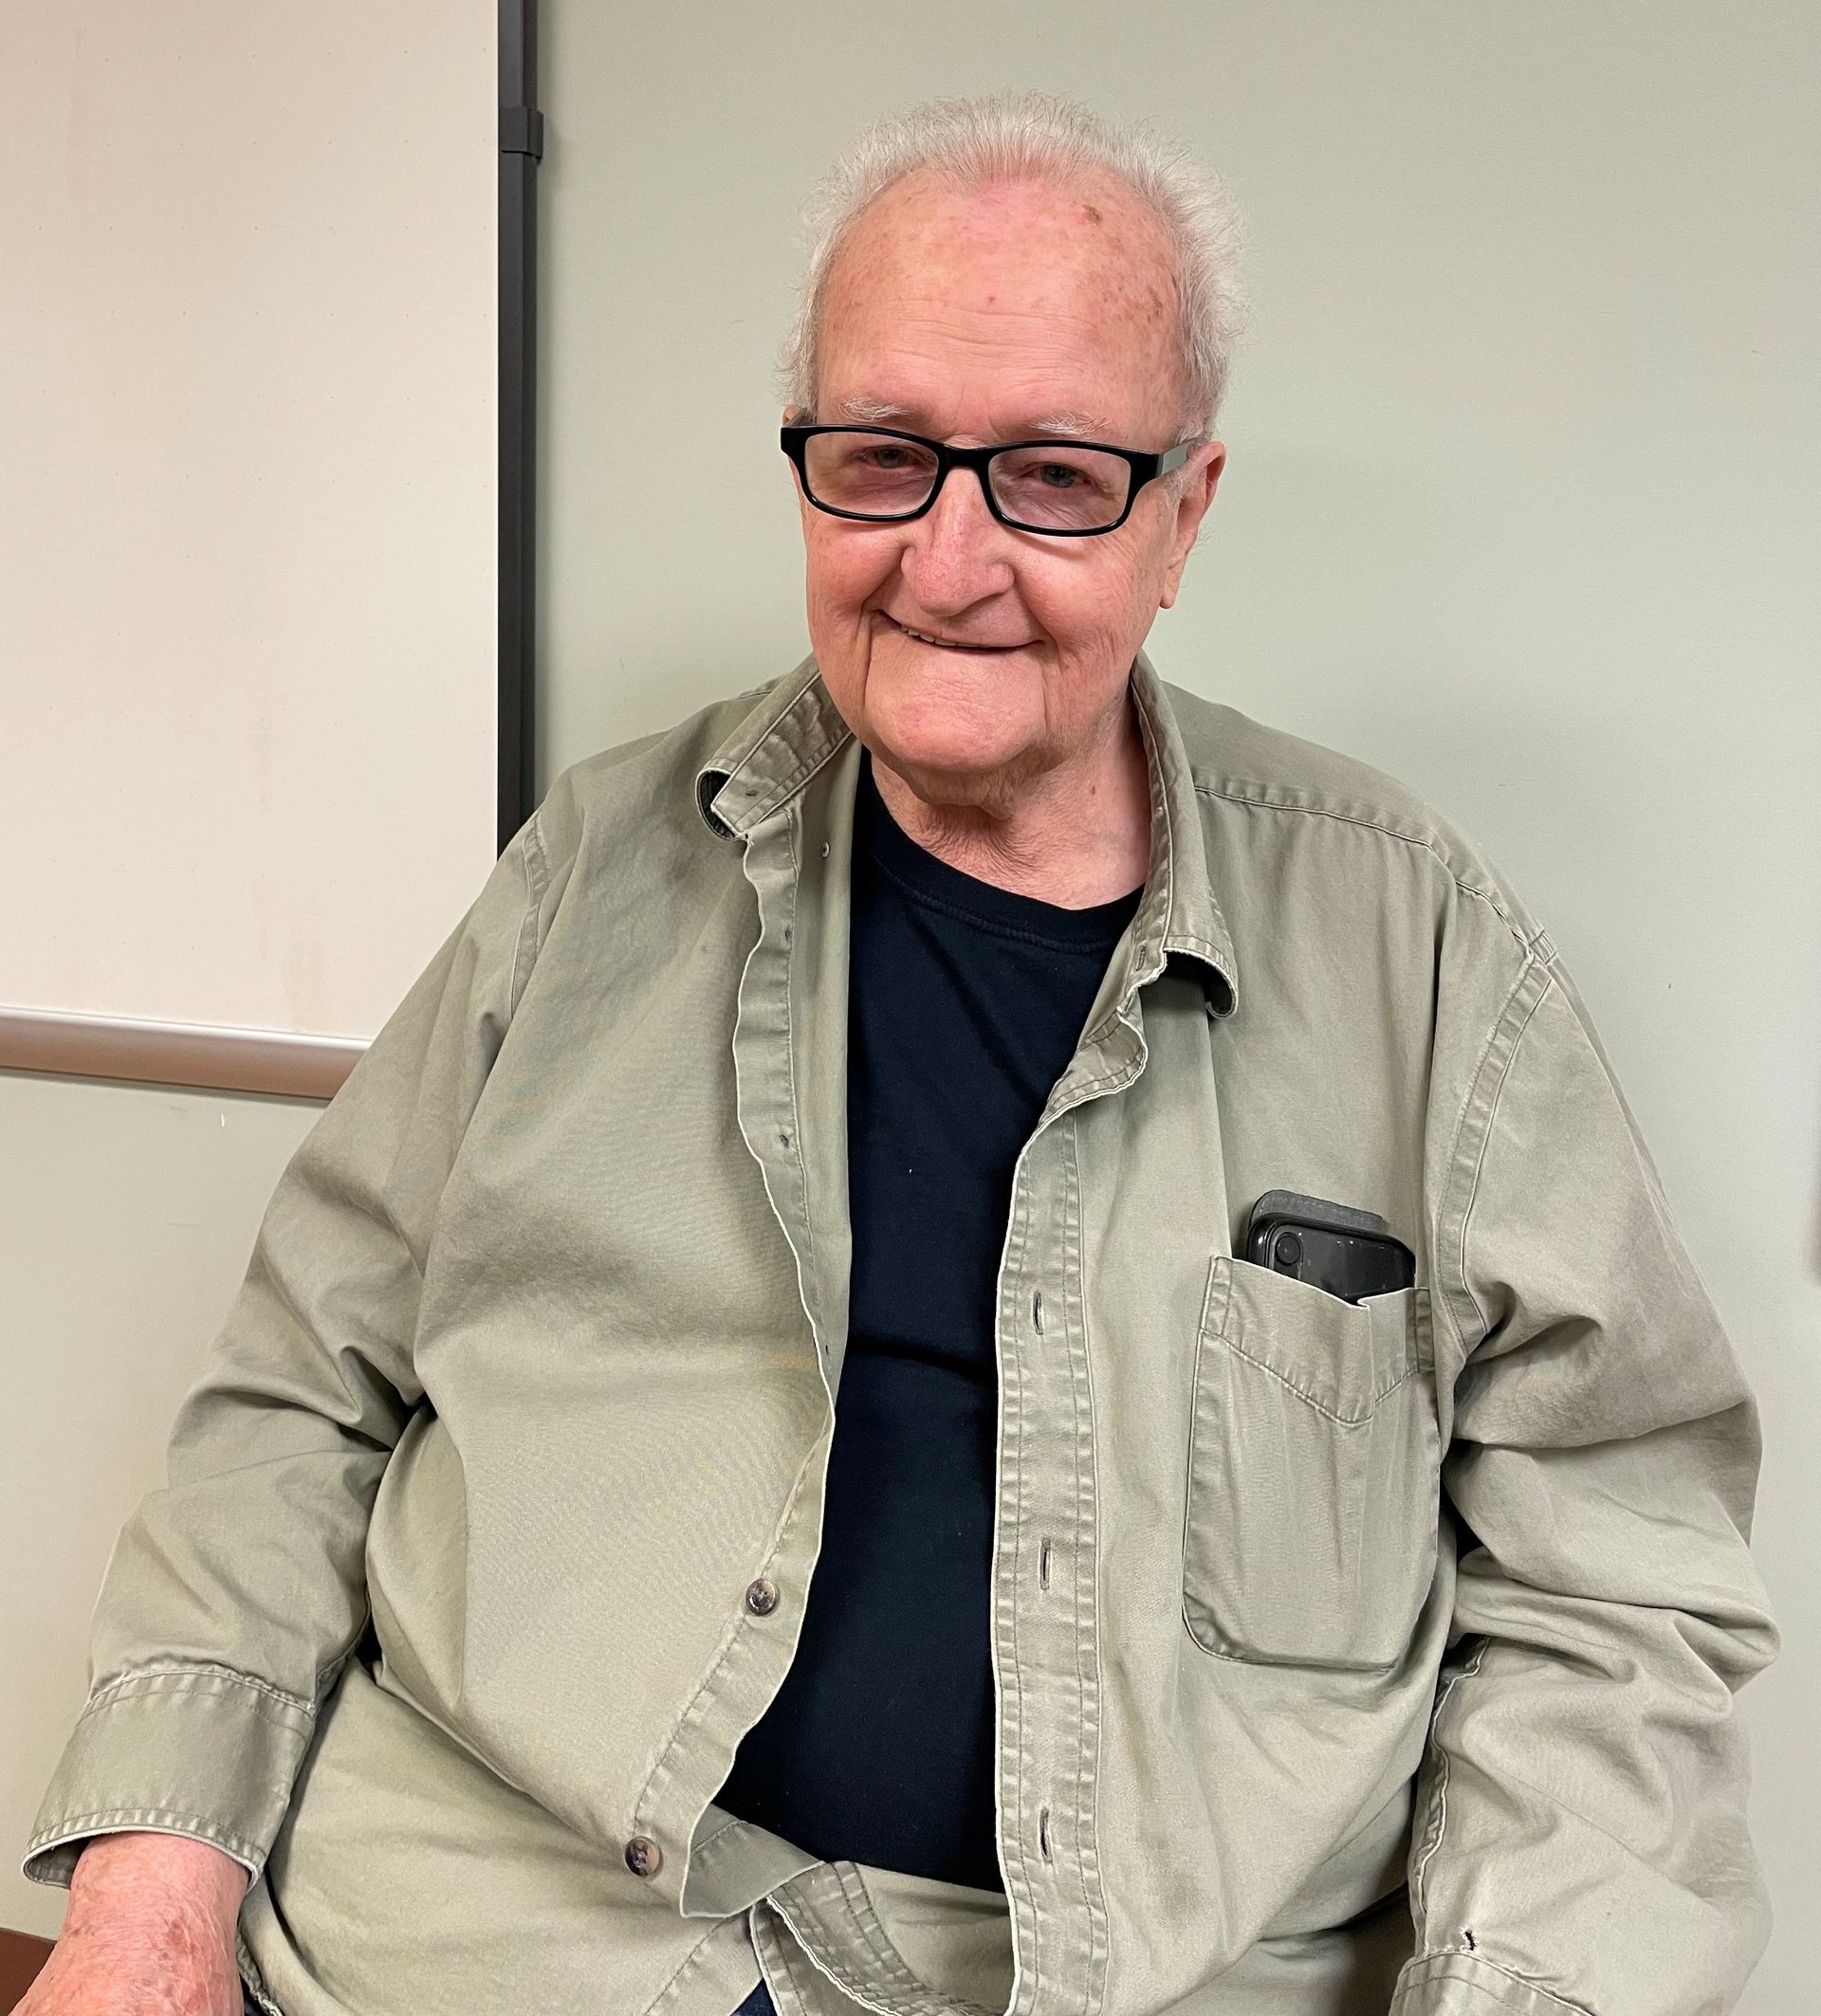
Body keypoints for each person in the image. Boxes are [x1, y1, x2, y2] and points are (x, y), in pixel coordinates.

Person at [20, 91, 1775, 2016]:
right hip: (481, 1940)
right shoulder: (591, 873)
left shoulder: (1418, 950)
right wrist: (142, 1912)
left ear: (1182, 514)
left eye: (1050, 476)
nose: (946, 562)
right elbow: (300, 1395)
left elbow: (1612, 1588)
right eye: (881, 457)